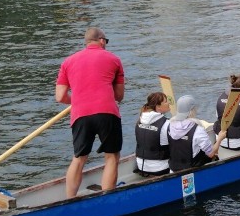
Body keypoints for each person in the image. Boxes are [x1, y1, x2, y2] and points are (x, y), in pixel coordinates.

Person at [55, 27, 125, 198]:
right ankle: (107, 197)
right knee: (112, 157)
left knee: (79, 158)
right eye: (106, 41)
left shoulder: (68, 62)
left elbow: (60, 96)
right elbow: (119, 96)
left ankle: (70, 199)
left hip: (80, 114)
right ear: (101, 40)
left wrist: (78, 101)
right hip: (107, 112)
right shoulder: (114, 60)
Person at [167, 95, 218, 171]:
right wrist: (220, 138)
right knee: (214, 155)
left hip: (173, 168)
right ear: (193, 110)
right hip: (192, 169)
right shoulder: (198, 130)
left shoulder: (169, 125)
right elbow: (210, 154)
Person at [134, 92, 171, 177]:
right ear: (158, 107)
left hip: (141, 167)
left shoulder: (140, 120)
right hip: (160, 168)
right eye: (165, 102)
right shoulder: (166, 124)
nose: (168, 103)